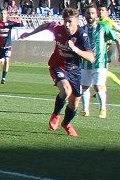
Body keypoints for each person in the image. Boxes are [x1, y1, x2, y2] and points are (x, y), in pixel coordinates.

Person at [21, 8, 95, 137]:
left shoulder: (82, 36)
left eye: (70, 22)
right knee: (66, 91)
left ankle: (66, 123)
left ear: (77, 22)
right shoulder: (58, 29)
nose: (67, 24)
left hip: (75, 71)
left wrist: (75, 49)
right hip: (58, 66)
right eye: (65, 21)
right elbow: (46, 25)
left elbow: (91, 57)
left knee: (74, 104)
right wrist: (30, 33)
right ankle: (55, 114)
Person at [81, 4, 120, 118]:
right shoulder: (81, 29)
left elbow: (117, 39)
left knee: (97, 86)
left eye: (92, 13)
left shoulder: (103, 27)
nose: (90, 15)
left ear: (96, 15)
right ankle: (85, 110)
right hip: (85, 63)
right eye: (88, 13)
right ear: (84, 15)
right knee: (84, 87)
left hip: (100, 62)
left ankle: (103, 109)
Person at [98, 5, 120, 99]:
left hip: (106, 49)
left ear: (106, 12)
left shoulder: (109, 22)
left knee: (102, 71)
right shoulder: (97, 21)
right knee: (101, 71)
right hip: (98, 49)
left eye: (102, 10)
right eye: (99, 10)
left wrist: (116, 37)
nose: (100, 12)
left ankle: (103, 90)